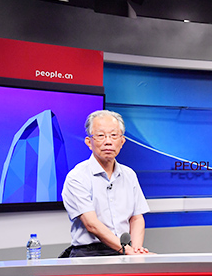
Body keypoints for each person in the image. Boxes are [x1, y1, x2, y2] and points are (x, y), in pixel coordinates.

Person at [62, 110, 150, 257]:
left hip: (125, 250)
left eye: (114, 135)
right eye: (101, 136)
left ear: (122, 141)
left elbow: (136, 218)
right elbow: (91, 224)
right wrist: (129, 252)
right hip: (89, 254)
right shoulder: (77, 177)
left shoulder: (129, 175)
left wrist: (136, 251)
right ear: (89, 142)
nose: (108, 141)